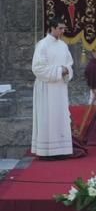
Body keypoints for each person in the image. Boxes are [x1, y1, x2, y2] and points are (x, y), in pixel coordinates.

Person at [31, 18, 75, 159]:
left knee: (60, 116)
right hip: (46, 87)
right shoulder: (42, 45)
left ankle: (61, 149)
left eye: (63, 28)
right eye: (60, 28)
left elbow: (69, 64)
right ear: (52, 28)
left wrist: (66, 70)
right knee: (47, 117)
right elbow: (37, 68)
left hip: (60, 87)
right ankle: (46, 152)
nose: (63, 31)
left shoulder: (63, 45)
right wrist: (58, 71)